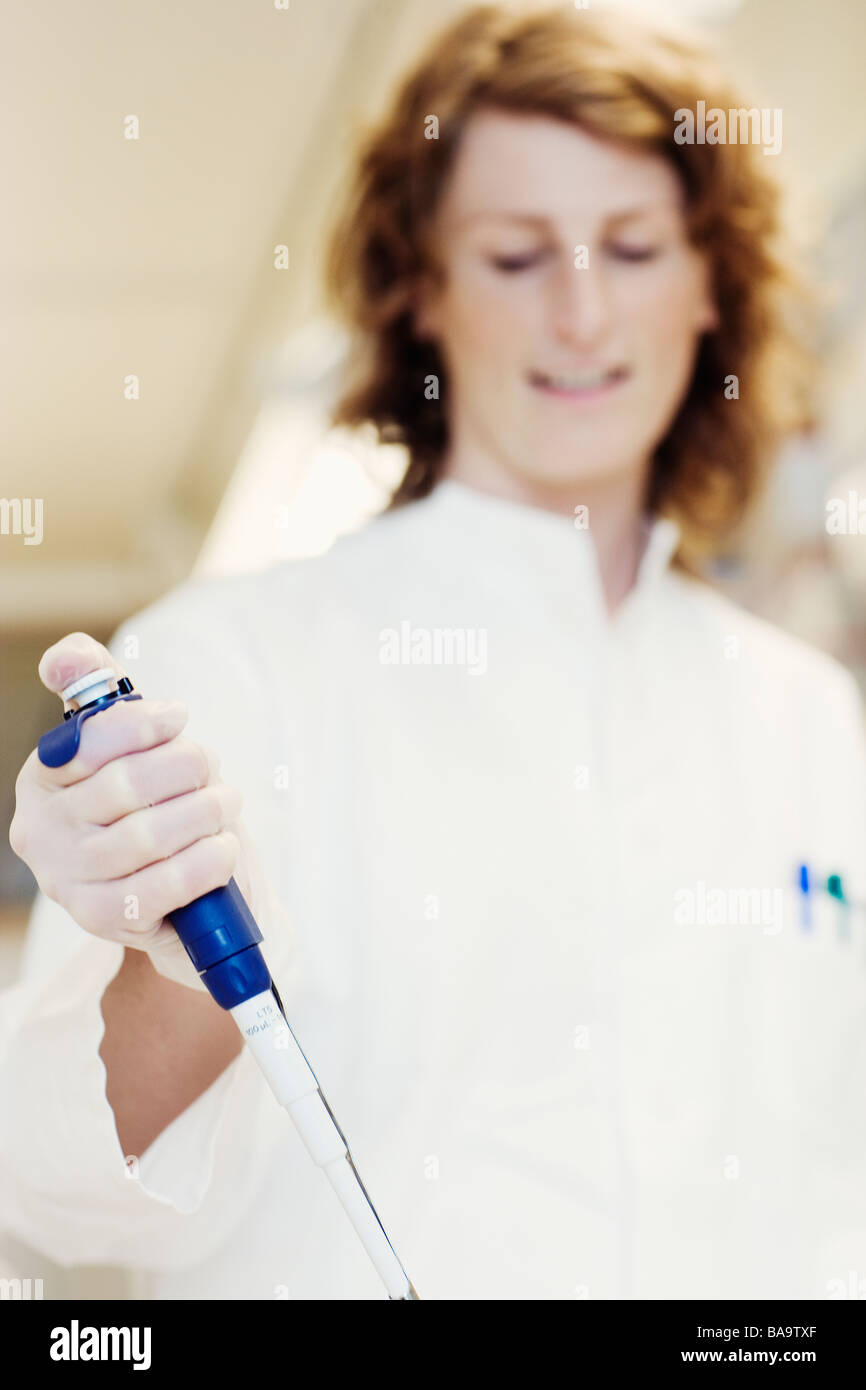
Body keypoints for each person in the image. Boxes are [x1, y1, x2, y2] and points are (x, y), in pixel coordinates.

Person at [3, 3, 865, 1300]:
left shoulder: (806, 716)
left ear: (708, 287)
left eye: (630, 248)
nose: (581, 314)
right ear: (421, 292)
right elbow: (63, 1192)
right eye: (517, 258)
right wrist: (163, 965)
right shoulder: (234, 663)